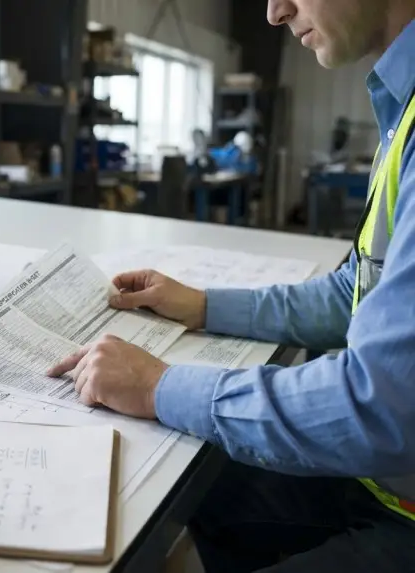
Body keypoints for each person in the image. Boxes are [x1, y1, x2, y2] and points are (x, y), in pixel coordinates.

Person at [48, 1, 415, 571]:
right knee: (210, 491)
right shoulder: (403, 106)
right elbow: (355, 293)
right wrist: (199, 304)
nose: (274, 11)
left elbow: (382, 406)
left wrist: (158, 388)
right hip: (385, 482)